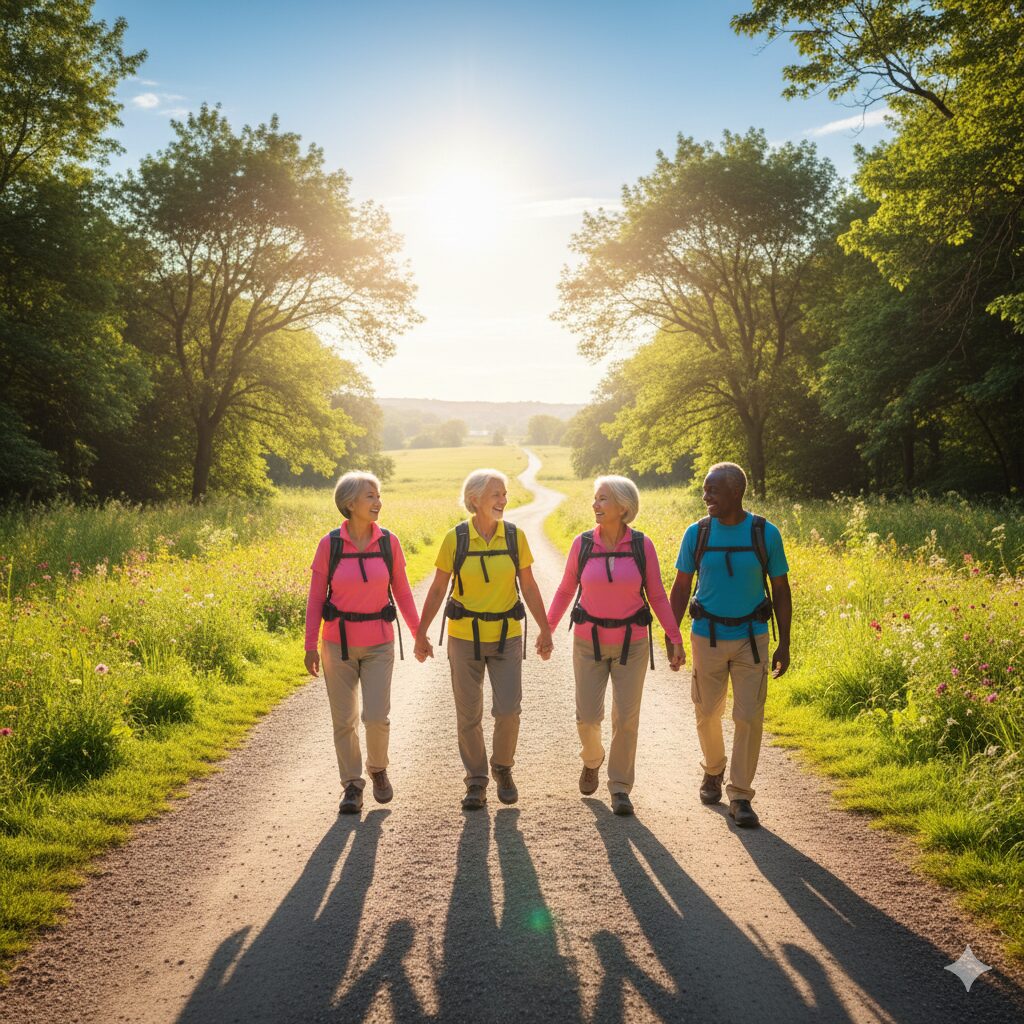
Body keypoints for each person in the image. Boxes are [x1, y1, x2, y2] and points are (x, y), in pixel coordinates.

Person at [414, 468, 553, 810]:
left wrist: (545, 628)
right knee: (468, 714)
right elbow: (438, 588)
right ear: (474, 500)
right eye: (496, 494)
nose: (503, 500)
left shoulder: (515, 537)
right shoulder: (456, 539)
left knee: (508, 710)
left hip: (507, 636)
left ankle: (502, 767)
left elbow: (529, 585)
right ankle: (476, 780)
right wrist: (421, 632)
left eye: (504, 494)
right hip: (464, 638)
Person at [547, 475, 685, 816]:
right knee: (587, 717)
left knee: (626, 719)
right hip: (587, 642)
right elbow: (565, 589)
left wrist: (674, 636)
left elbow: (657, 595)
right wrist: (547, 629)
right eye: (596, 498)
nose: (595, 504)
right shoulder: (582, 544)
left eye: (603, 499)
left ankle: (620, 787)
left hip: (632, 644)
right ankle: (592, 758)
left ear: (623, 507)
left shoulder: (642, 545)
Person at [669, 462, 792, 829]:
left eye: (713, 490)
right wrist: (673, 635)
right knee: (707, 711)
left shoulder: (765, 533)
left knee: (749, 716)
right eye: (705, 490)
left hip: (752, 639)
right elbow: (681, 585)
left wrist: (785, 643)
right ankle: (713, 769)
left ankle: (740, 795)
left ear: (735, 492)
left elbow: (781, 590)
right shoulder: (697, 533)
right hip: (706, 636)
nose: (705, 496)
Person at [304, 471, 420, 815]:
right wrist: (310, 645)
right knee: (344, 720)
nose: (378, 502)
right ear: (350, 503)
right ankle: (352, 785)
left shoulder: (388, 542)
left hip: (379, 643)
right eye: (371, 496)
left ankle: (378, 768)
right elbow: (315, 599)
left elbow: (402, 592)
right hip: (336, 644)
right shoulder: (330, 545)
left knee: (376, 716)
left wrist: (418, 633)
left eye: (378, 495)